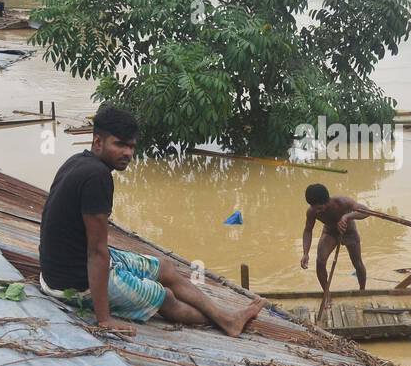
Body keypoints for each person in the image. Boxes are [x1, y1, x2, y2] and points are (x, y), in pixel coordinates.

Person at [38, 102, 266, 336]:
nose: (128, 153)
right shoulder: (97, 177)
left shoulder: (77, 161)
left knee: (165, 268)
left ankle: (227, 318)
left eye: (131, 146)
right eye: (119, 145)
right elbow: (97, 252)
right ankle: (227, 322)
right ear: (98, 142)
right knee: (165, 296)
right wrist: (104, 320)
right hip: (73, 284)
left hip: (63, 268)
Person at [301, 184, 372, 292]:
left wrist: (347, 216)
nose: (317, 211)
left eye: (320, 208)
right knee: (320, 261)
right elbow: (308, 231)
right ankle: (327, 293)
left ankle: (362, 291)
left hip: (349, 233)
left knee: (357, 263)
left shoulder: (342, 202)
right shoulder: (312, 211)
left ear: (327, 201)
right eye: (314, 208)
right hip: (330, 233)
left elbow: (366, 212)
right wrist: (305, 253)